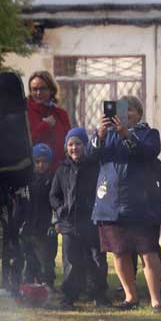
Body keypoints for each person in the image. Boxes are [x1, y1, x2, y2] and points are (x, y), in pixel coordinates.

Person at [91, 96, 161, 312]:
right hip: (111, 203)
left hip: (142, 203)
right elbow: (90, 154)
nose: (125, 114)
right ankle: (130, 296)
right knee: (119, 251)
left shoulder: (150, 134)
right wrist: (101, 134)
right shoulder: (105, 135)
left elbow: (148, 153)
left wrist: (126, 134)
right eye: (121, 110)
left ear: (139, 113)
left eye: (130, 110)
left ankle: (156, 301)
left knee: (148, 251)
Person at [50, 128, 109, 308]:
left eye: (78, 144)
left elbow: (103, 190)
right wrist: (61, 211)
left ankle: (99, 295)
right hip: (69, 224)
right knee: (71, 261)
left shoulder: (95, 167)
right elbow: (54, 195)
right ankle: (69, 296)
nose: (74, 148)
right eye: (70, 144)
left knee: (97, 259)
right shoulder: (62, 170)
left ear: (85, 145)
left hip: (92, 223)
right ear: (66, 147)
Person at [23, 142, 57, 288]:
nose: (41, 165)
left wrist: (53, 223)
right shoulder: (27, 181)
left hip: (46, 227)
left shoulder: (52, 181)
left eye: (44, 162)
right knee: (29, 257)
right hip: (29, 226)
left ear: (49, 163)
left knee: (46, 258)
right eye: (37, 161)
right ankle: (29, 282)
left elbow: (55, 202)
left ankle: (47, 283)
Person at [26, 71, 71, 170]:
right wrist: (44, 126)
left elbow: (68, 143)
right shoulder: (25, 113)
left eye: (43, 89)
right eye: (34, 89)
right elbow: (26, 143)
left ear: (51, 90)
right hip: (35, 174)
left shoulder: (61, 114)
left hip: (59, 172)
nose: (38, 93)